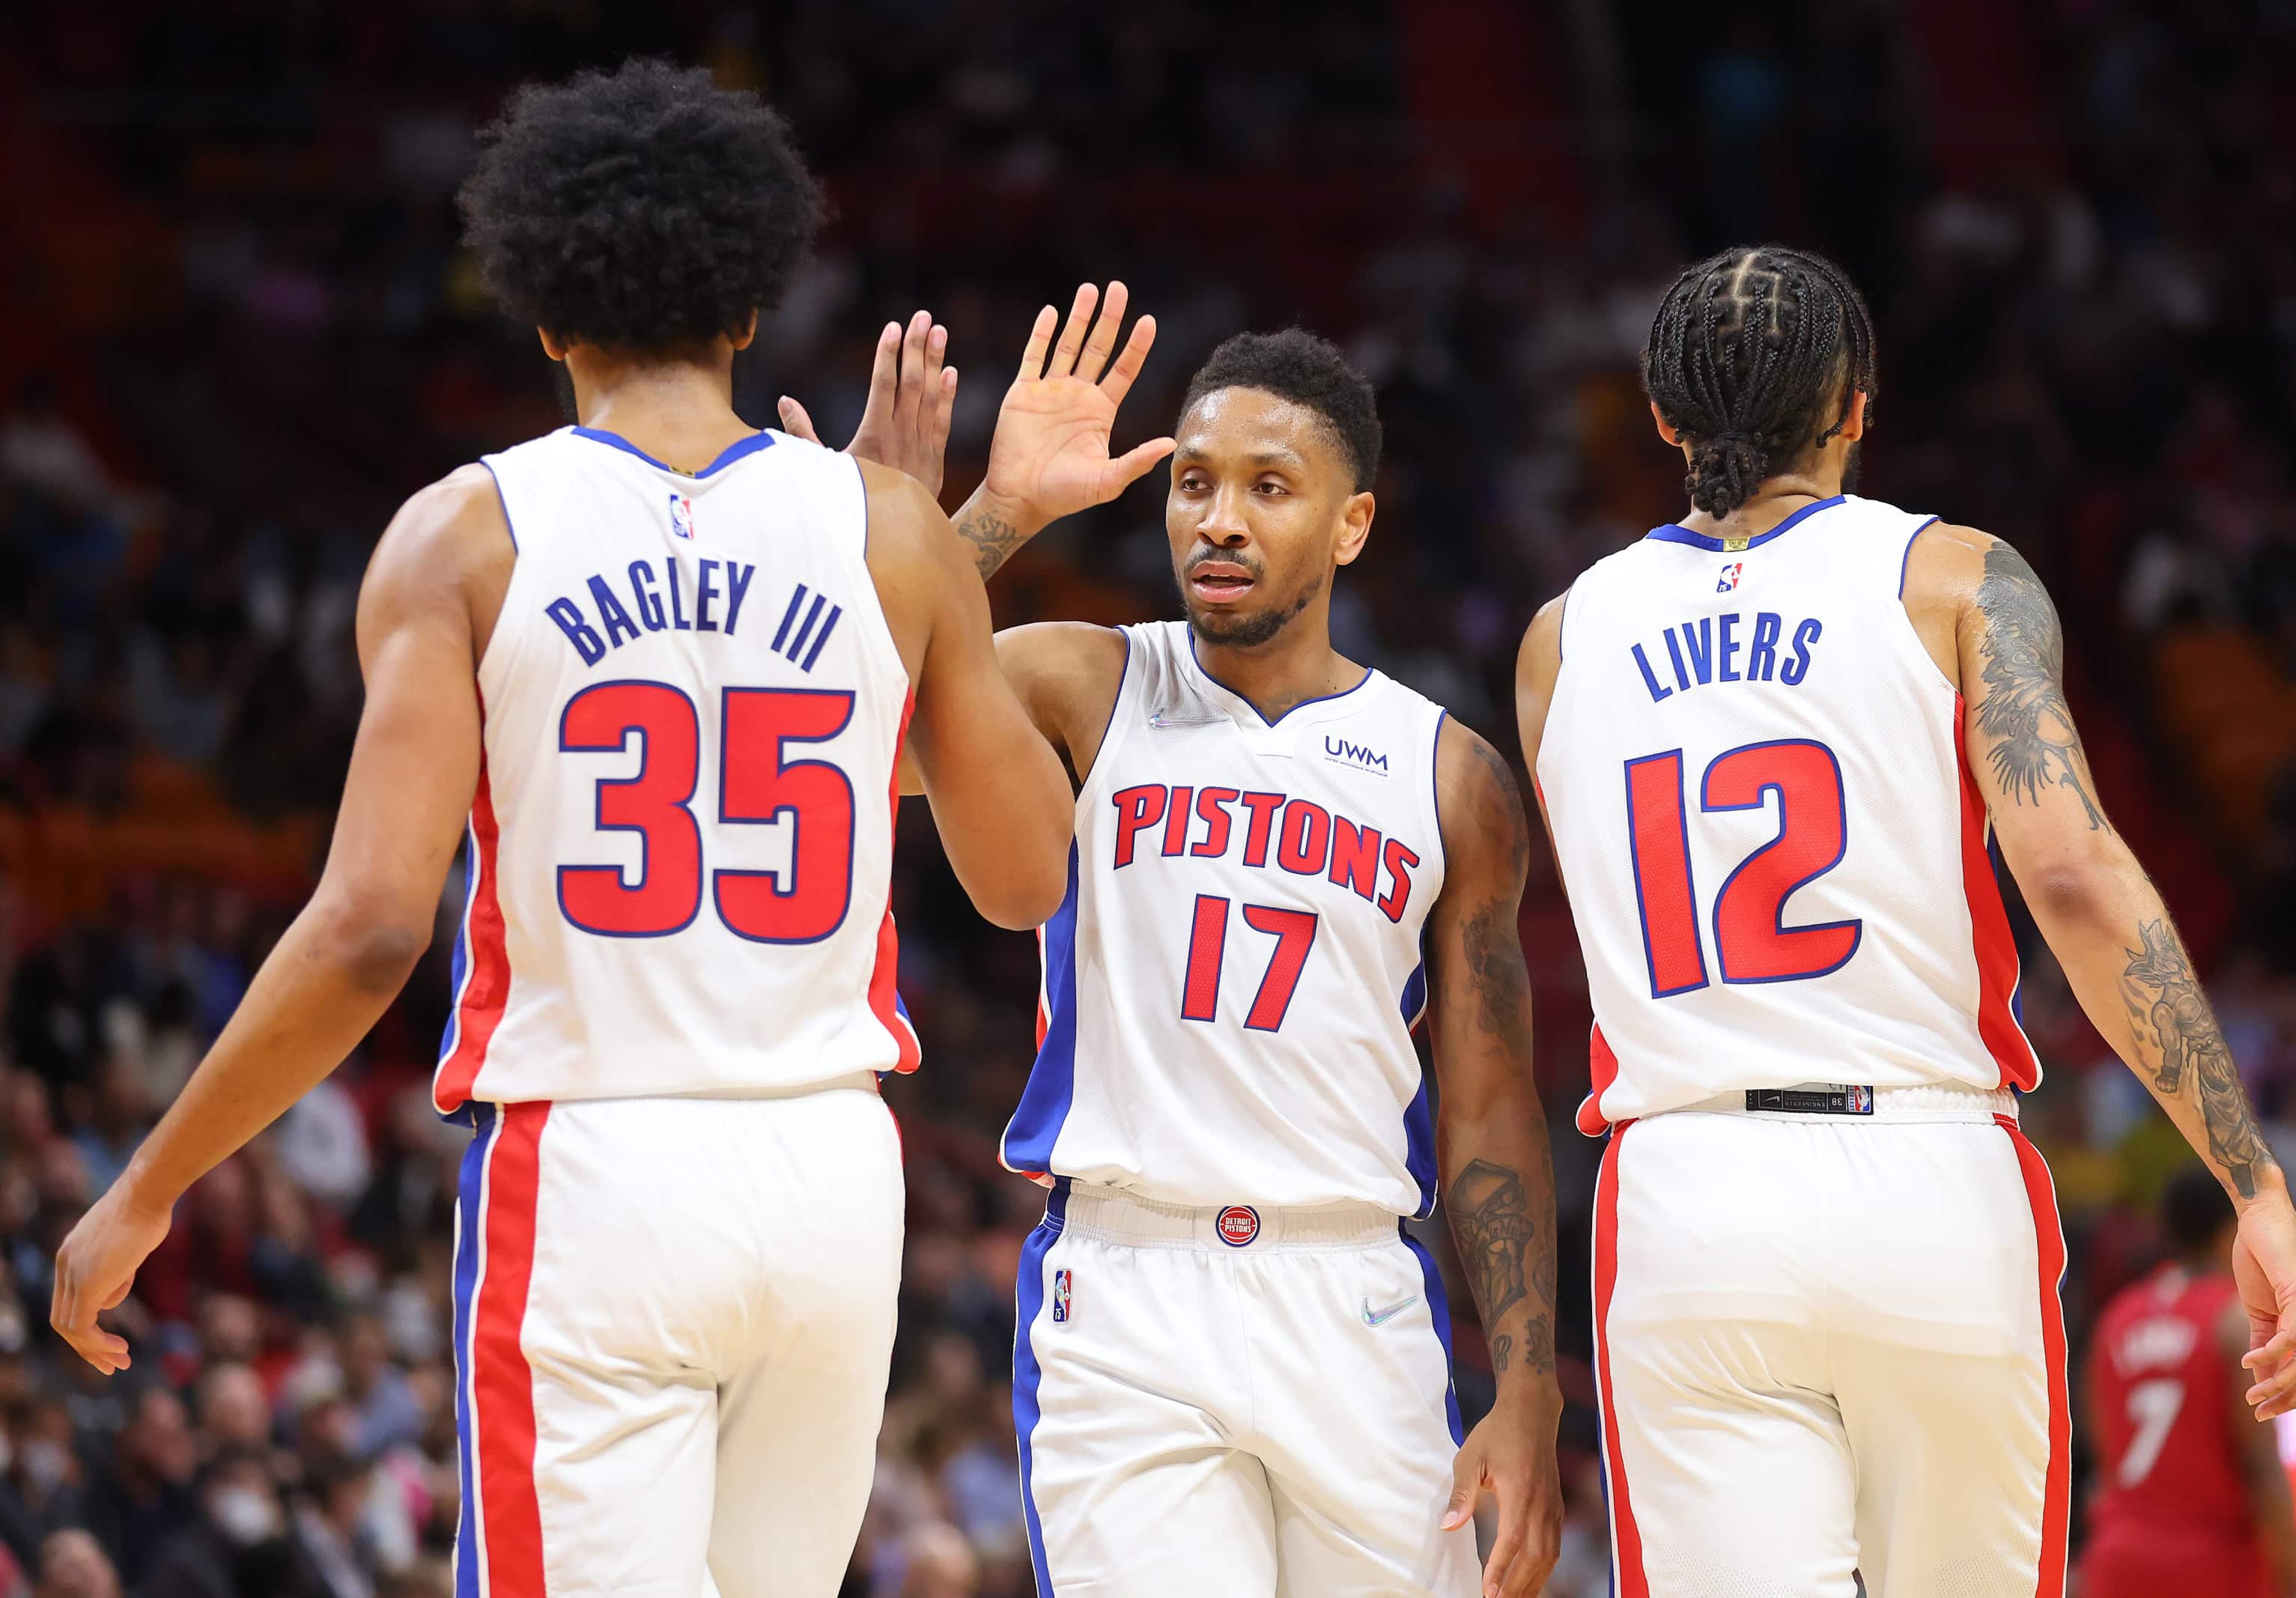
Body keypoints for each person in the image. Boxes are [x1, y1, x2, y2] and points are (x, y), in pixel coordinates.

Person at [49, 59, 1073, 1598]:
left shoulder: (463, 536)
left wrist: (148, 1181)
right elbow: (1027, 874)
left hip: (597, 1168)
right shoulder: (889, 531)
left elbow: (370, 928)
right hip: (832, 1174)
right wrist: (927, 578)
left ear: (541, 314)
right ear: (750, 308)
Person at [1514, 244, 2296, 1596]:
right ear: (1856, 407)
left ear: (1662, 418)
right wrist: (2252, 1180)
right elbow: (2074, 880)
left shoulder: (1563, 639)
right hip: (1930, 1175)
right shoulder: (1955, 579)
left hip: (1687, 1193)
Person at [786, 284, 1565, 1597]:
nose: (1220, 518)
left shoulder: (1452, 774)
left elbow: (1490, 1104)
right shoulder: (1081, 681)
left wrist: (1531, 1386)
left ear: (1352, 522)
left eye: (1270, 486)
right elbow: (835, 715)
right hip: (1127, 1291)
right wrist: (993, 512)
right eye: (1194, 482)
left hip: (1355, 1292)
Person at [2080, 1166, 2296, 1598]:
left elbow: (2101, 1450)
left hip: (2118, 1561)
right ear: (2233, 1231)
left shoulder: (2114, 1319)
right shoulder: (2234, 1324)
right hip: (2213, 1563)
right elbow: (2262, 1468)